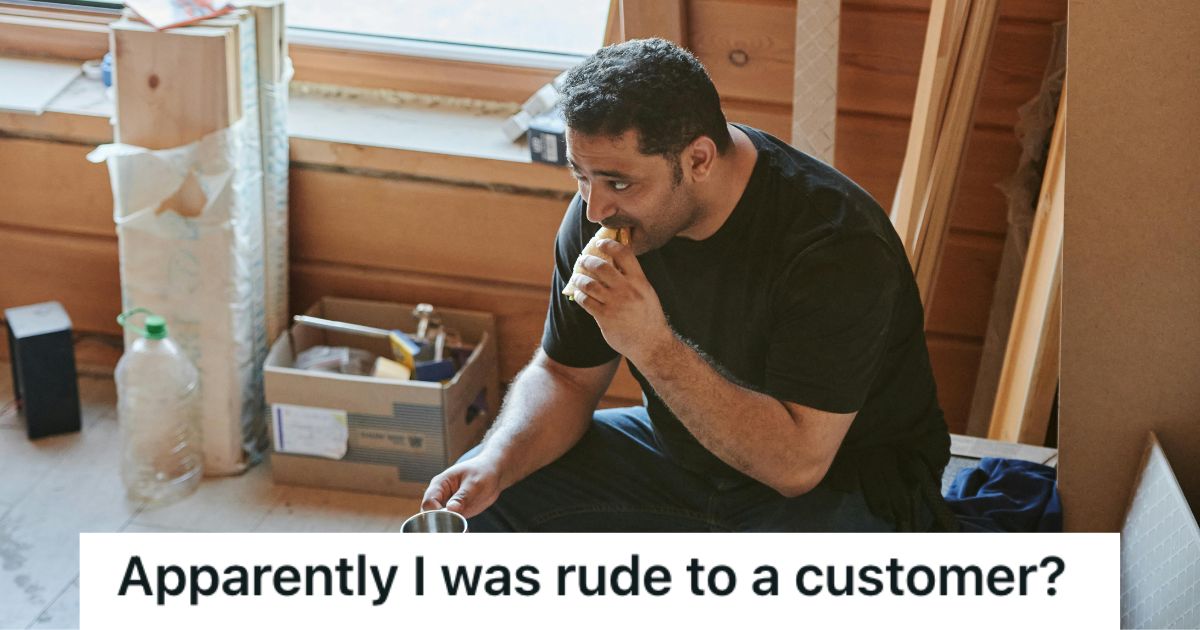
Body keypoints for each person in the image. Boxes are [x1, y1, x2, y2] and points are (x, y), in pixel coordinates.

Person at [421, 38, 952, 532]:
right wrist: (495, 460)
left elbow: (796, 466)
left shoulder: (835, 245)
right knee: (482, 503)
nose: (595, 207)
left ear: (698, 159)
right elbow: (566, 377)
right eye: (581, 176)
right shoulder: (602, 215)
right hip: (688, 457)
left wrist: (652, 345)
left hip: (851, 482)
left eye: (619, 182)